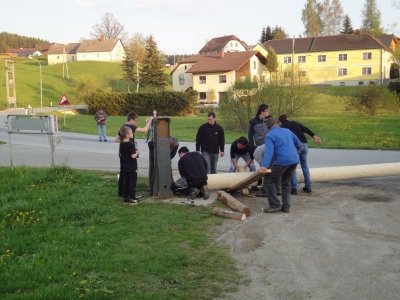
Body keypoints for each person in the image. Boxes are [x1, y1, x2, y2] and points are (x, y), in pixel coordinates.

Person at [259, 118, 302, 213]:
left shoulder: (270, 135)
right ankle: (286, 207)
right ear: (277, 124)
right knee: (286, 183)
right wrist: (295, 153)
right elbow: (299, 144)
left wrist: (264, 166)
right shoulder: (287, 131)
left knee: (269, 180)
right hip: (294, 161)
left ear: (267, 127)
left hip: (282, 161)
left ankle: (275, 205)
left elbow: (268, 152)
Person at [278, 114, 321, 194]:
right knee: (304, 165)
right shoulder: (295, 123)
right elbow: (306, 129)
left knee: (293, 166)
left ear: (280, 122)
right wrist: (314, 136)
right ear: (288, 118)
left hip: (296, 146)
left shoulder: (282, 128)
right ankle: (308, 187)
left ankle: (294, 188)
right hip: (304, 144)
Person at [115, 111, 153, 197]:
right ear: (131, 120)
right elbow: (144, 130)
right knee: (131, 174)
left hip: (123, 154)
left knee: (123, 173)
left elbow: (117, 139)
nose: (136, 123)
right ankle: (131, 194)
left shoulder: (123, 127)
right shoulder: (130, 126)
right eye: (135, 121)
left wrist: (125, 142)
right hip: (130, 155)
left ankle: (122, 193)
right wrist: (150, 120)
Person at [248, 104, 274, 196]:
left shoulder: (270, 120)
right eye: (267, 110)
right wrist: (252, 149)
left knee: (270, 168)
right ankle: (265, 187)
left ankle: (268, 188)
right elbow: (250, 137)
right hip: (260, 148)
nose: (268, 112)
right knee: (264, 168)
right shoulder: (253, 122)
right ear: (262, 111)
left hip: (270, 147)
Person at [118, 126, 140, 204]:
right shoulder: (130, 144)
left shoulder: (121, 143)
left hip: (124, 166)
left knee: (126, 182)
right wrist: (137, 152)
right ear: (127, 135)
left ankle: (126, 197)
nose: (132, 134)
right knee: (132, 182)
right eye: (131, 133)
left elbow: (122, 154)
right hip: (132, 167)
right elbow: (133, 156)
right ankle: (132, 197)